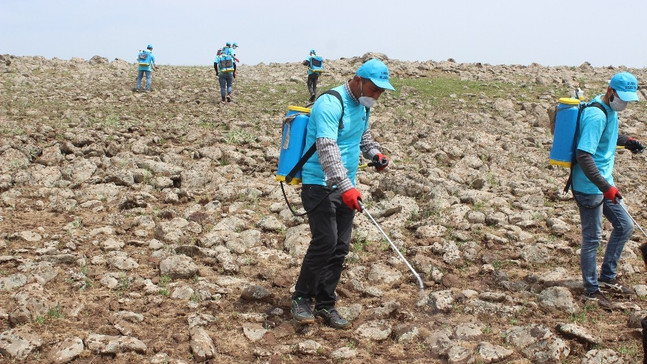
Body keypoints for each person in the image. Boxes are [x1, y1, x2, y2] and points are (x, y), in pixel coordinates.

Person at [290, 59, 394, 329]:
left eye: (381, 92)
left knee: (340, 247)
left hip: (346, 185)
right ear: (358, 80)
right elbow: (327, 149)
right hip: (318, 184)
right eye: (374, 89)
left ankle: (326, 304)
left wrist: (376, 154)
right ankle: (301, 297)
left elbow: (363, 138)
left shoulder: (362, 106)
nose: (376, 96)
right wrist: (346, 187)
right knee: (325, 241)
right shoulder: (330, 103)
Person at [573, 71, 644, 309]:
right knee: (592, 238)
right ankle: (591, 290)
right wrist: (606, 188)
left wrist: (627, 140)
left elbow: (607, 137)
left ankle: (608, 277)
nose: (624, 103)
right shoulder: (595, 114)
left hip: (604, 184)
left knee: (625, 226)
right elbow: (584, 155)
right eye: (621, 97)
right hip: (589, 186)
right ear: (610, 91)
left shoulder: (609, 110)